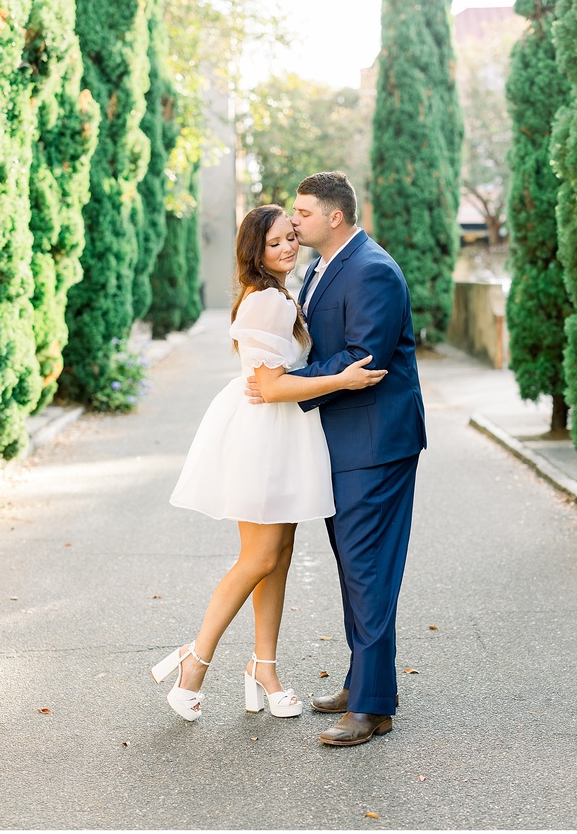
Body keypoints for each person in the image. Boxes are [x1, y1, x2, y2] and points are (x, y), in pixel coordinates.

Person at [151, 204, 386, 723]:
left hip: (280, 431)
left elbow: (275, 381)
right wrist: (341, 380)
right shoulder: (267, 302)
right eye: (275, 242)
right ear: (255, 250)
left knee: (278, 553)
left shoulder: (280, 294)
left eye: (290, 238)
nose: (287, 248)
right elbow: (275, 386)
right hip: (265, 432)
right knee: (258, 558)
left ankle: (264, 667)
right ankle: (196, 661)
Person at [247, 171, 427, 747]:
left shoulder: (371, 269)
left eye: (302, 212)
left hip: (375, 444)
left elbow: (361, 358)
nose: (293, 221)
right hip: (343, 440)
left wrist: (287, 382)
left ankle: (372, 706)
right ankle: (363, 682)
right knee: (356, 567)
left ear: (335, 218)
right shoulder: (327, 266)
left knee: (369, 569)